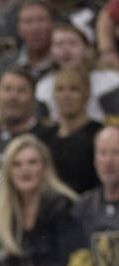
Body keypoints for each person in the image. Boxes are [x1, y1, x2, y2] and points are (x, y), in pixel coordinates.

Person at [0, 133, 91, 266]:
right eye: (17, 164)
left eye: (32, 162)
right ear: (8, 172)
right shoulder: (5, 213)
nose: (25, 170)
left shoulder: (63, 206)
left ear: (44, 167)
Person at [61, 125, 119, 266]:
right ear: (95, 159)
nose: (109, 160)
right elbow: (78, 253)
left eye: (116, 152)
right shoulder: (83, 206)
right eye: (103, 153)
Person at [0, 68, 45, 206]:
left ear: (33, 99)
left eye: (21, 90)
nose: (13, 96)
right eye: (7, 89)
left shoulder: (44, 141)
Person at [35, 67, 102, 196]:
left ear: (86, 94)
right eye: (60, 89)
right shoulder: (43, 137)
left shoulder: (99, 135)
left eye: (74, 89)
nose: (66, 95)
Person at [35, 22, 119, 123]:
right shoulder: (43, 86)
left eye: (73, 43)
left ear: (87, 49)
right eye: (59, 44)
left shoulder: (110, 80)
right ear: (50, 51)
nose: (66, 50)